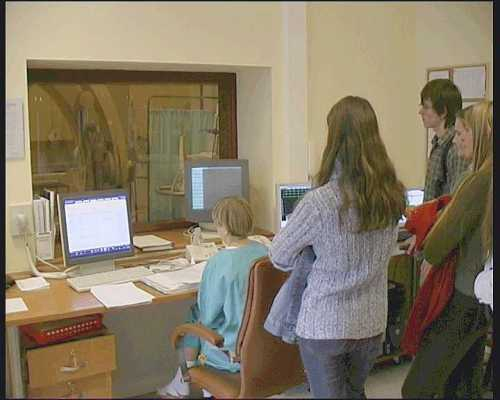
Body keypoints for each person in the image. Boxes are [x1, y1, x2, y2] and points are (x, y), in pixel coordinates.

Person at [269, 96, 406, 398]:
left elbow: (278, 255)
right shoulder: (393, 196)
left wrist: (308, 250)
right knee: (355, 392)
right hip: (370, 324)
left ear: (334, 140)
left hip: (325, 326)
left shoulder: (320, 202)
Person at [402, 100, 493, 398]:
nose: (456, 140)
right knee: (463, 384)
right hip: (482, 300)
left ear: (481, 135)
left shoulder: (479, 181)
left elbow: (438, 243)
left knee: (417, 387)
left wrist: (426, 234)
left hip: (464, 295)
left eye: (462, 132)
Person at [157, 196, 268, 398]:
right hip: (263, 349)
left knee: (196, 315)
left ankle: (186, 375)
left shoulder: (219, 262)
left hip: (231, 352)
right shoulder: (265, 252)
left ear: (223, 228)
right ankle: (183, 380)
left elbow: (208, 317)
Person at [419, 79, 470, 201]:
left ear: (443, 112)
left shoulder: (456, 148)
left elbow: (458, 199)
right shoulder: (439, 143)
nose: (420, 112)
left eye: (426, 107)